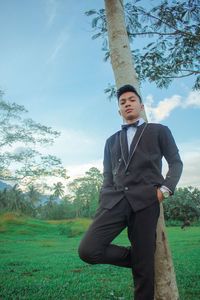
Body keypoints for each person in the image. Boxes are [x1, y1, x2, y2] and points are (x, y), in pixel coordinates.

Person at [78, 84, 183, 300]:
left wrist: (164, 191)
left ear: (141, 105)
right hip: (114, 202)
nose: (127, 104)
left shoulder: (159, 131)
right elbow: (107, 175)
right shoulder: (111, 140)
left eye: (131, 100)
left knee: (144, 274)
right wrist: (104, 199)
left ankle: (143, 261)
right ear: (119, 110)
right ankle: (140, 258)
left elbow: (176, 162)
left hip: (146, 201)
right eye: (123, 102)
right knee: (88, 250)